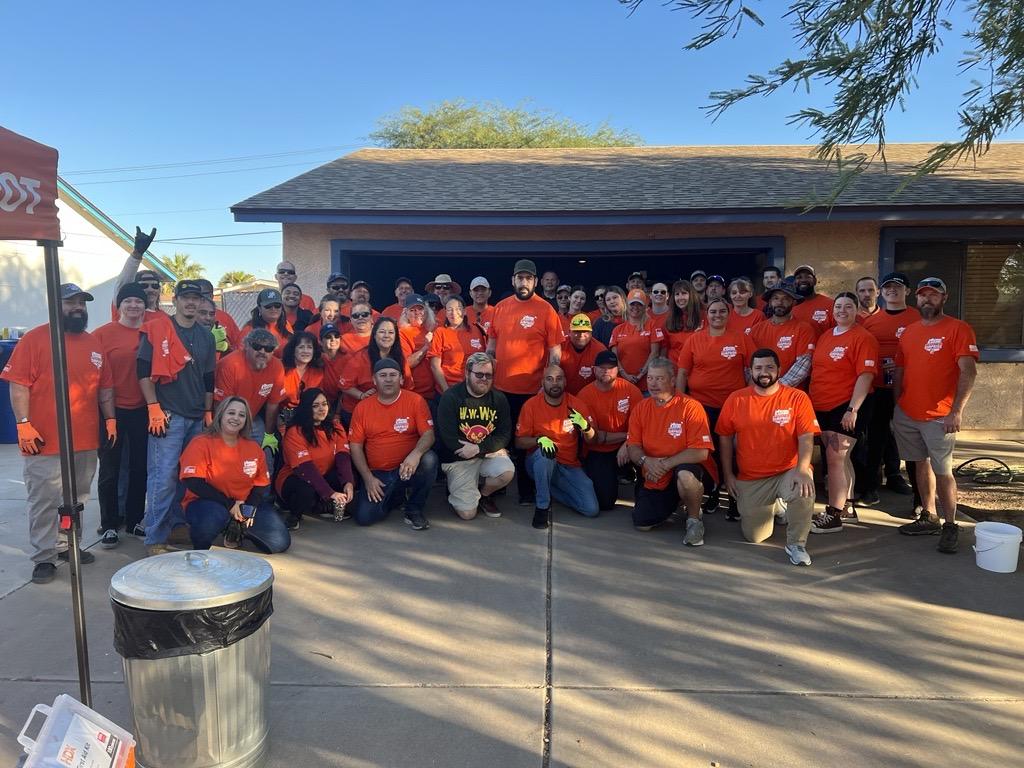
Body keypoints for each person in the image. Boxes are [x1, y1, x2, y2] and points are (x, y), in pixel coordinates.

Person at [2, 284, 114, 584]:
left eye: (82, 303)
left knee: (77, 497)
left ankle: (68, 546)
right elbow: (18, 384)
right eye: (70, 303)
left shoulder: (93, 344)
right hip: (44, 440)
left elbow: (105, 388)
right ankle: (44, 557)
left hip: (86, 438)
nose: (78, 308)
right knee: (44, 501)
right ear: (55, 305)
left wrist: (111, 419)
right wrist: (23, 423)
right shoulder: (35, 340)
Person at [892, 277, 979, 554]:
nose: (927, 299)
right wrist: (898, 405)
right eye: (923, 295)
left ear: (944, 298)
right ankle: (928, 515)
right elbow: (900, 370)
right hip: (908, 412)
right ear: (916, 299)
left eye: (933, 295)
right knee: (918, 464)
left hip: (940, 415)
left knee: (943, 471)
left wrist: (957, 411)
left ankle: (951, 524)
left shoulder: (958, 329)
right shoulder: (909, 331)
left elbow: (968, 371)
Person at [717, 349, 820, 566]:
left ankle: (796, 544)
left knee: (803, 489)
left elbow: (806, 437)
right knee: (755, 536)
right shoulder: (736, 399)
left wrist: (802, 469)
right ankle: (777, 507)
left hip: (787, 471)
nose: (764, 372)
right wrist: (728, 475)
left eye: (769, 367)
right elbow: (725, 439)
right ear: (751, 372)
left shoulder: (797, 397)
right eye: (758, 368)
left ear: (779, 370)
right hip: (752, 477)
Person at [137, 280, 218, 555]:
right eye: (186, 298)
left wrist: (208, 412)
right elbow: (143, 372)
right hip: (168, 415)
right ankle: (155, 538)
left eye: (196, 298)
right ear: (177, 300)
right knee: (162, 477)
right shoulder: (159, 328)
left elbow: (209, 378)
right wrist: (153, 407)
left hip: (196, 416)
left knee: (187, 476)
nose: (191, 303)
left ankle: (176, 525)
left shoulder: (206, 335)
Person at [487, 259, 565, 505]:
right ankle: (498, 484)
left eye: (528, 278)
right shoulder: (500, 308)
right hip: (500, 388)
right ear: (513, 280)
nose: (523, 282)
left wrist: (548, 382)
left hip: (533, 390)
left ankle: (526, 491)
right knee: (500, 440)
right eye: (519, 278)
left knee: (528, 442)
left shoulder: (546, 310)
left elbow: (555, 352)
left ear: (535, 281)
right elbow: (490, 348)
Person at [807, 292, 880, 535]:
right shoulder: (827, 335)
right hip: (823, 405)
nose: (842, 311)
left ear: (856, 310)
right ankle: (847, 507)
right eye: (838, 306)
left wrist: (853, 409)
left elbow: (866, 375)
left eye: (848, 307)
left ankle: (834, 514)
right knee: (842, 459)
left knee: (835, 459)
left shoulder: (863, 338)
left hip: (846, 405)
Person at [677, 298, 755, 518]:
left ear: (728, 314)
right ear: (707, 315)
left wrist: (747, 395)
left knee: (732, 451)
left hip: (732, 406)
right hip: (701, 406)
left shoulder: (741, 338)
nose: (717, 315)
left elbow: (754, 367)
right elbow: (682, 372)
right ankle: (711, 491)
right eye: (713, 312)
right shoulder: (694, 339)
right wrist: (681, 401)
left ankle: (733, 498)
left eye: (722, 311)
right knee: (707, 452)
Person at [179, 397, 290, 552]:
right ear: (221, 415)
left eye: (241, 415)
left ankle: (238, 528)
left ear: (246, 420)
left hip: (243, 504)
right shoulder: (201, 442)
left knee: (279, 542)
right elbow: (193, 482)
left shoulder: (253, 448)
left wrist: (249, 509)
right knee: (210, 520)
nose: (236, 418)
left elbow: (261, 484)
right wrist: (229, 504)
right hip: (208, 502)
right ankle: (207, 539)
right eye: (231, 413)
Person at [626, 357, 713, 546]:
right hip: (653, 473)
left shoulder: (691, 407)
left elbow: (701, 453)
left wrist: (664, 464)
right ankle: (680, 500)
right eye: (650, 379)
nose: (653, 384)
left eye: (660, 379)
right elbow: (632, 446)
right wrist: (646, 462)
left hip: (680, 469)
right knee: (642, 523)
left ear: (672, 381)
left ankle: (694, 520)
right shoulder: (641, 408)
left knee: (685, 476)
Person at [349, 358, 438, 529]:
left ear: (401, 379)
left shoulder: (415, 400)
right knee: (364, 517)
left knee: (429, 460)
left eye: (393, 375)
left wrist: (415, 455)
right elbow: (355, 446)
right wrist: (368, 478)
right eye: (383, 375)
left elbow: (428, 434)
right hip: (378, 473)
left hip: (407, 468)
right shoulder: (362, 407)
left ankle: (414, 509)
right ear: (374, 380)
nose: (388, 379)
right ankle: (396, 495)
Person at [93, 283, 150, 547]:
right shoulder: (102, 334)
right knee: (110, 469)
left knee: (140, 468)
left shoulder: (151, 332)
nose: (134, 306)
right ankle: (109, 524)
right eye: (128, 301)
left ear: (144, 305)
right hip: (111, 411)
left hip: (142, 410)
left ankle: (136, 519)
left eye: (138, 301)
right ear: (119, 305)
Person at [858, 272, 920, 504]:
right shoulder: (871, 321)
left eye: (897, 287)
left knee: (910, 438)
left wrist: (904, 363)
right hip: (879, 387)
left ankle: (912, 489)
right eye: (887, 287)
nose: (892, 290)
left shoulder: (917, 317)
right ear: (881, 292)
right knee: (877, 436)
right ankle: (872, 484)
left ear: (907, 291)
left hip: (910, 387)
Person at [515, 365, 599, 529]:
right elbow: (519, 442)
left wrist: (585, 426)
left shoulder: (576, 404)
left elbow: (593, 441)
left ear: (565, 381)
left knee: (591, 509)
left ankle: (545, 487)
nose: (555, 383)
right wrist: (539, 440)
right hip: (538, 462)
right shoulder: (531, 405)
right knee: (546, 455)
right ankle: (542, 508)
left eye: (559, 379)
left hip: (569, 465)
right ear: (542, 382)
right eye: (550, 379)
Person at [436, 352, 515, 519]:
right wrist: (485, 449)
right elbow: (448, 437)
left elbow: (504, 434)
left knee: (507, 471)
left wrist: (480, 448)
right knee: (467, 514)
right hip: (459, 457)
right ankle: (458, 487)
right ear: (467, 373)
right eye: (479, 374)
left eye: (488, 375)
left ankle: (484, 495)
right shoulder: (450, 397)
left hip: (483, 452)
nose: (484, 379)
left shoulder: (499, 398)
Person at [276, 388, 354, 529]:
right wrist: (330, 493)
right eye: (315, 406)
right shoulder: (295, 431)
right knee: (306, 488)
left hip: (323, 474)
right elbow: (305, 468)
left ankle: (321, 505)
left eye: (324, 404)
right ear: (306, 408)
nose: (321, 409)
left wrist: (348, 482)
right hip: (296, 477)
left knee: (348, 474)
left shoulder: (335, 426)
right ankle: (294, 515)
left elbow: (343, 456)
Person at [577, 351, 643, 511]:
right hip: (599, 450)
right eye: (601, 367)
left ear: (617, 369)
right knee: (605, 503)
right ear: (594, 369)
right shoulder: (584, 395)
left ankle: (645, 496)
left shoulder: (631, 390)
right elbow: (595, 438)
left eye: (611, 368)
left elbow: (643, 425)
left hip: (630, 444)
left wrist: (628, 443)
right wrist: (627, 437)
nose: (606, 371)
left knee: (650, 449)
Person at [213, 328, 286, 448]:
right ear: (246, 345)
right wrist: (225, 433)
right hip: (227, 417)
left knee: (266, 449)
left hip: (252, 418)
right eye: (257, 346)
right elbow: (220, 404)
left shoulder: (277, 367)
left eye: (268, 349)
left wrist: (269, 434)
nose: (262, 351)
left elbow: (273, 404)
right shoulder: (230, 364)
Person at [339, 316, 410, 423]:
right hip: (358, 410)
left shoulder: (400, 357)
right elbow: (344, 385)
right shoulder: (360, 357)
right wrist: (361, 395)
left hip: (390, 408)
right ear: (374, 335)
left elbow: (408, 386)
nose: (386, 336)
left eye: (391, 332)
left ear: (396, 337)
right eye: (382, 332)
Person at [750, 282, 817, 387]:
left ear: (794, 302)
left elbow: (803, 365)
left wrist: (776, 388)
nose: (780, 302)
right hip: (759, 392)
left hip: (791, 394)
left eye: (785, 298)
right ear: (770, 302)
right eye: (775, 298)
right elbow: (749, 364)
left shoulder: (804, 329)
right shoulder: (756, 330)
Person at [429, 296, 486, 394]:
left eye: (458, 309)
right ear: (445, 313)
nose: (453, 313)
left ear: (464, 311)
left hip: (474, 388)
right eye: (449, 310)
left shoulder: (476, 330)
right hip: (450, 389)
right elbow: (435, 366)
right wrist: (447, 392)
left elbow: (484, 359)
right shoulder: (440, 332)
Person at [609, 290, 663, 390]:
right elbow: (614, 356)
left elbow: (655, 353)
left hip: (647, 384)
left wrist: (640, 375)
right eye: (632, 304)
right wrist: (624, 374)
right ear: (626, 305)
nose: (635, 307)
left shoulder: (652, 325)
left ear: (645, 307)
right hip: (623, 384)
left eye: (639, 304)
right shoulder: (617, 329)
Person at [111, 226, 161, 319]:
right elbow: (123, 285)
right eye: (144, 286)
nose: (150, 290)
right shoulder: (125, 310)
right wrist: (137, 255)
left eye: (154, 286)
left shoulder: (167, 319)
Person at [399, 294, 438, 408]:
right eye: (412, 310)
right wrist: (427, 346)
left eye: (420, 309)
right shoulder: (402, 333)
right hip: (416, 394)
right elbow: (407, 363)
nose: (417, 313)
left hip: (437, 391)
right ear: (405, 313)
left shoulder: (435, 328)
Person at [560, 314, 608, 395]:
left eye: (585, 331)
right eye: (577, 331)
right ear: (569, 332)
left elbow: (605, 380)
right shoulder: (560, 346)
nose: (581, 335)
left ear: (591, 333)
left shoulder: (600, 350)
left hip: (590, 396)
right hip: (563, 395)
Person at [280, 331, 324, 413]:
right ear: (293, 350)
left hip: (309, 413)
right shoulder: (281, 369)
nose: (305, 351)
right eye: (301, 347)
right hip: (282, 412)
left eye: (309, 347)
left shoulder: (319, 372)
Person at [195, 279, 242, 353]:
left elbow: (239, 346)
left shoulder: (224, 318)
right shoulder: (186, 318)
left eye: (201, 294)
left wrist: (227, 347)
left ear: (211, 295)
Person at [662, 280, 704, 361]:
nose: (680, 298)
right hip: (674, 369)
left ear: (691, 295)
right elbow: (665, 348)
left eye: (684, 293)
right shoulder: (669, 320)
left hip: (696, 368)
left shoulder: (703, 316)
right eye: (677, 294)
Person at [241, 288, 292, 353]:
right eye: (268, 306)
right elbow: (241, 355)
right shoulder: (249, 329)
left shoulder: (286, 325)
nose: (273, 308)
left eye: (277, 305)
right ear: (259, 308)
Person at [791, 265, 834, 338]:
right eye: (799, 277)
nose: (803, 280)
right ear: (794, 282)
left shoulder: (830, 304)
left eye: (808, 277)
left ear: (815, 281)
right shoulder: (789, 305)